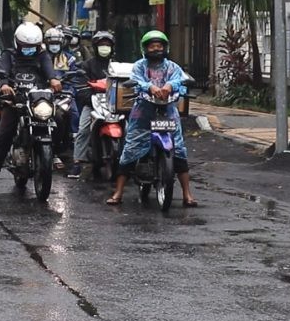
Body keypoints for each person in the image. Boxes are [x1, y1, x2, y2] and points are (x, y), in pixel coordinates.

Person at [106, 31, 197, 207]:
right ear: (145, 48)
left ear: (165, 48)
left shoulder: (172, 67)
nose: (156, 49)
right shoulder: (140, 66)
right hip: (143, 114)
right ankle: (118, 193)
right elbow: (136, 80)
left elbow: (180, 80)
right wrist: (150, 87)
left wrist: (171, 85)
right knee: (130, 149)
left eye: (159, 46)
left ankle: (187, 194)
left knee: (179, 150)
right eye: (152, 46)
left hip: (169, 113)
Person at [0, 23, 61, 194]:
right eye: (26, 47)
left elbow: (49, 71)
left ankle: (54, 154)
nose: (29, 50)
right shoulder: (9, 55)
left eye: (33, 47)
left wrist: (54, 80)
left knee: (60, 118)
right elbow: (3, 70)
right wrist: (4, 85)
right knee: (4, 135)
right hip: (14, 101)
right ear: (18, 43)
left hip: (38, 101)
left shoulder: (42, 55)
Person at [72, 31, 118, 177]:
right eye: (101, 45)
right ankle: (77, 162)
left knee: (132, 128)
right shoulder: (87, 65)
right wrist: (90, 97)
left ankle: (132, 161)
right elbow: (80, 87)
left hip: (115, 105)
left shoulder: (117, 66)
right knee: (83, 129)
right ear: (95, 47)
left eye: (107, 45)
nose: (105, 47)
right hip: (93, 104)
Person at [45, 26, 79, 173]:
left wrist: (68, 92)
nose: (54, 46)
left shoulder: (69, 59)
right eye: (51, 42)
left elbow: (74, 79)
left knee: (72, 113)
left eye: (56, 43)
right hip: (43, 95)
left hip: (63, 95)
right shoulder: (41, 57)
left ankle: (70, 143)